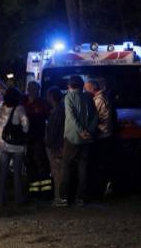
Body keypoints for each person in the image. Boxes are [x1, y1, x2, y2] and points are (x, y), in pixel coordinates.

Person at [58, 76, 98, 207]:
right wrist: (89, 131)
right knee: (83, 168)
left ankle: (64, 198)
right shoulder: (88, 97)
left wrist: (81, 131)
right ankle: (81, 198)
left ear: (70, 85)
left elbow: (71, 116)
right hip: (87, 139)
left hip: (72, 138)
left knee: (66, 167)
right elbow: (95, 116)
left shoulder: (68, 97)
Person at [0, 87, 29, 205]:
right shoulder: (19, 109)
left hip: (2, 145)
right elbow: (26, 125)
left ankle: (0, 200)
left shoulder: (0, 110)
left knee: (2, 172)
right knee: (17, 173)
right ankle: (18, 200)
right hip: (17, 146)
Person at [85, 79, 116, 197]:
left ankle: (102, 189)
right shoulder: (102, 97)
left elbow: (95, 117)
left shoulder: (99, 100)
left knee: (100, 164)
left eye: (87, 88)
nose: (85, 91)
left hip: (102, 135)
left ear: (92, 88)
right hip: (105, 134)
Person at [23, 81, 52, 197]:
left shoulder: (43, 103)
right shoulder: (23, 101)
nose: (34, 91)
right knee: (30, 165)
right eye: (31, 89)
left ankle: (45, 192)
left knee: (42, 165)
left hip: (39, 138)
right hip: (27, 139)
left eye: (35, 89)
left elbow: (50, 117)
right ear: (28, 89)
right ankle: (34, 191)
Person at [44, 86, 65, 205]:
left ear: (51, 97)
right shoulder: (60, 109)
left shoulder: (57, 112)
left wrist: (48, 143)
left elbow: (53, 131)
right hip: (59, 144)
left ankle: (59, 198)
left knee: (57, 173)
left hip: (56, 146)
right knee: (59, 172)